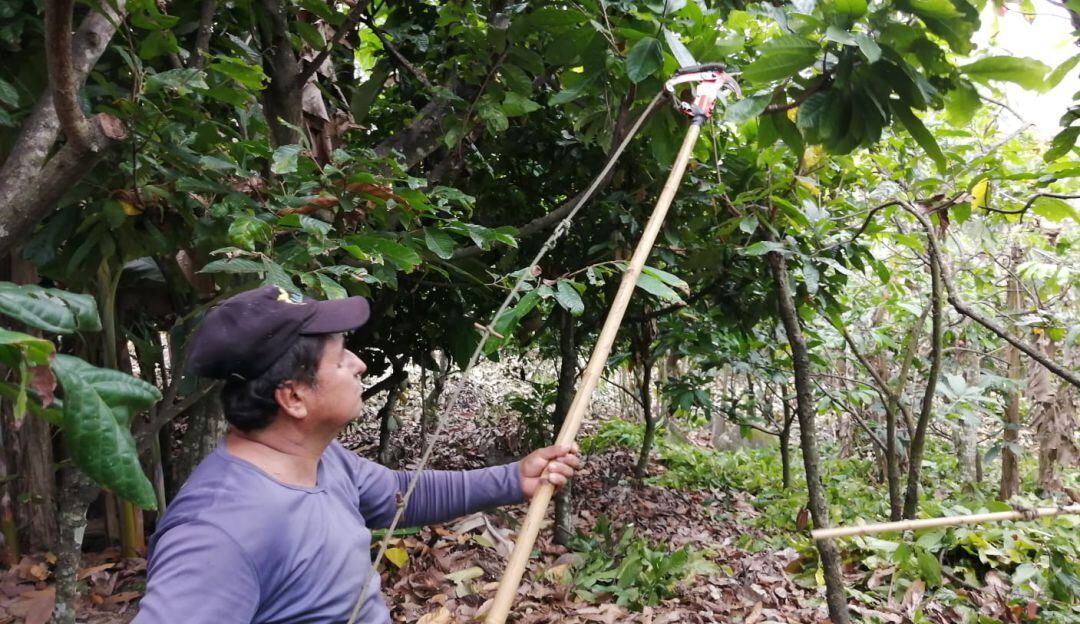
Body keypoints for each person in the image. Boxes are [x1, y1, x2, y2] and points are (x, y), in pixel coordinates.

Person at [132, 286, 580, 623]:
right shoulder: (219, 530)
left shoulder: (321, 461)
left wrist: (511, 480)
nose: (359, 364)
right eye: (341, 357)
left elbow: (395, 494)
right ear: (293, 398)